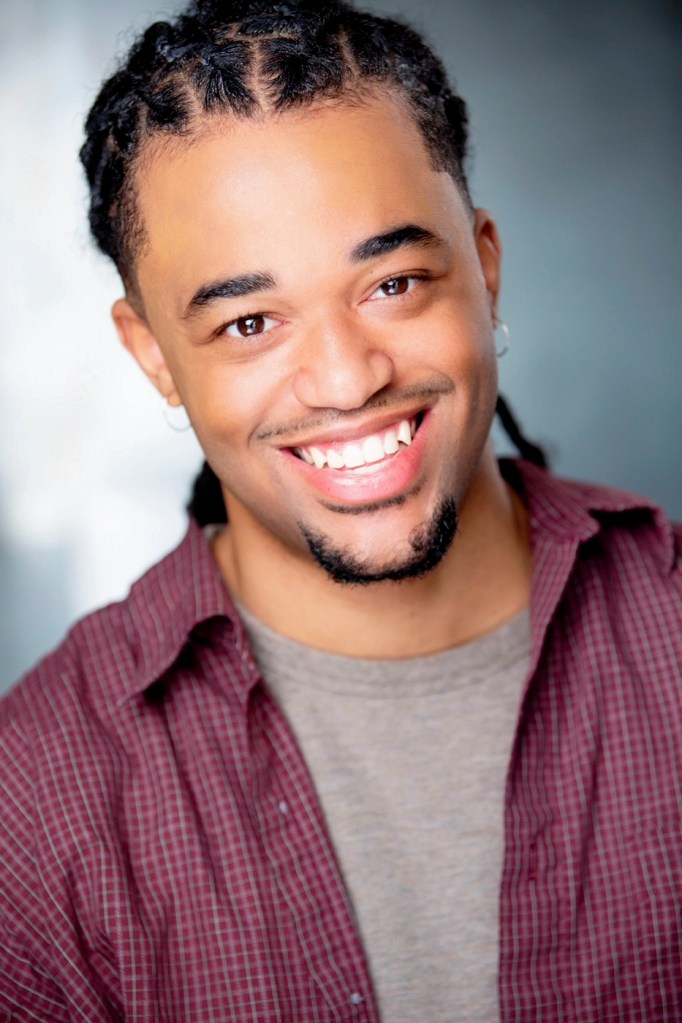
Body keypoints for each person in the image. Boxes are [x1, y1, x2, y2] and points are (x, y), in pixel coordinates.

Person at [1, 0, 680, 1019]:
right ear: (154, 356)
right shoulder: (33, 797)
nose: (347, 379)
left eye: (393, 283)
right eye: (250, 322)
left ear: (485, 266)